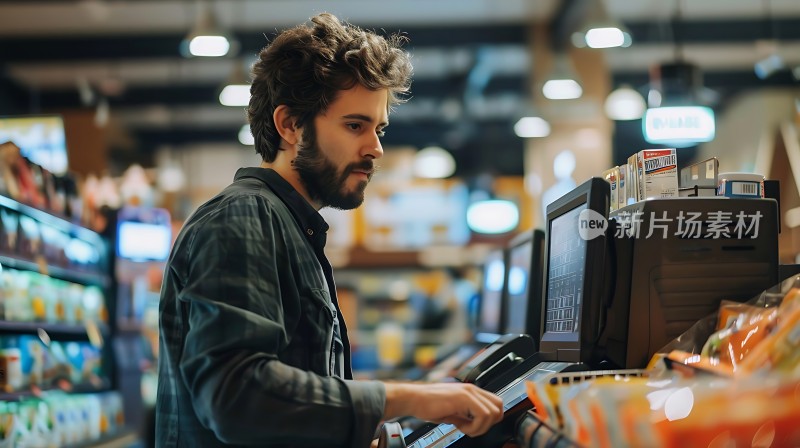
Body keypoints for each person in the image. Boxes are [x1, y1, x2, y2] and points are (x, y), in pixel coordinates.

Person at [156, 13, 504, 448]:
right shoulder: (244, 218)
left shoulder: (291, 227)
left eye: (379, 129)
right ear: (290, 126)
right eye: (355, 125)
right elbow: (236, 396)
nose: (375, 148)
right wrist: (407, 398)